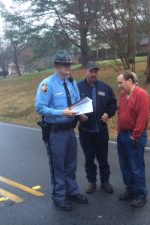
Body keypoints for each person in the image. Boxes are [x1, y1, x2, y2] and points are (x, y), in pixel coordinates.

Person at [35, 50, 88, 211]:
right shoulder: (47, 84)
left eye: (69, 64)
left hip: (70, 131)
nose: (68, 67)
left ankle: (71, 191)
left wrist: (81, 114)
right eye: (64, 64)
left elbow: (77, 103)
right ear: (56, 66)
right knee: (58, 165)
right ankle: (59, 196)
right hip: (55, 132)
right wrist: (61, 112)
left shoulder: (72, 83)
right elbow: (40, 108)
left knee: (71, 163)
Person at [77, 61, 117, 194]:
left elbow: (112, 103)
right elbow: (72, 105)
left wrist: (108, 113)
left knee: (103, 158)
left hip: (101, 130)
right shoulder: (78, 87)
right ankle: (91, 181)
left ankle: (105, 181)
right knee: (89, 158)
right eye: (91, 71)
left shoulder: (105, 87)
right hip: (86, 131)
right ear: (86, 72)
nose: (94, 74)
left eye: (96, 71)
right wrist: (79, 115)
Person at [116, 70, 150, 208]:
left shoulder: (141, 95)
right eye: (118, 83)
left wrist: (134, 136)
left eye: (121, 82)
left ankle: (141, 194)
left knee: (136, 167)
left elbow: (143, 119)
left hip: (134, 136)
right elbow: (121, 114)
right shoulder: (123, 94)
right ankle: (131, 189)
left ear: (129, 81)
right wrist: (120, 131)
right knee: (124, 165)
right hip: (122, 135)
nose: (118, 86)